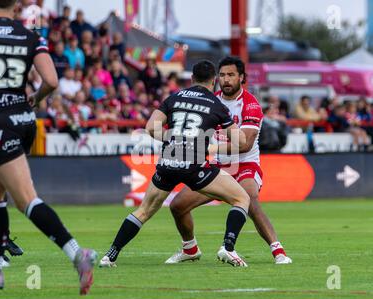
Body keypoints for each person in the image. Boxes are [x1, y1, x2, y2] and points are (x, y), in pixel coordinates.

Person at [99, 60, 251, 268]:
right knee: (241, 198)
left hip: (169, 161)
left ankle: (110, 255)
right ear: (214, 81)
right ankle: (228, 247)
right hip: (194, 165)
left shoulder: (174, 97)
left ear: (191, 79)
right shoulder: (217, 105)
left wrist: (173, 138)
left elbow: (151, 128)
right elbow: (241, 141)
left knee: (143, 211)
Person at [0, 0, 96, 294]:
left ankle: (77, 254)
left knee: (26, 199)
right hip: (23, 119)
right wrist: (35, 98)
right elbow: (51, 80)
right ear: (16, 5)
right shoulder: (31, 36)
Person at [165, 56, 292, 265]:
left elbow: (245, 144)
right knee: (178, 206)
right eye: (222, 75)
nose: (226, 80)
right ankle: (190, 249)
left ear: (241, 77)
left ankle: (278, 251)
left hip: (245, 164)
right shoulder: (211, 101)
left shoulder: (250, 105)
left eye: (231, 75)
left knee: (249, 196)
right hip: (218, 166)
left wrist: (212, 146)